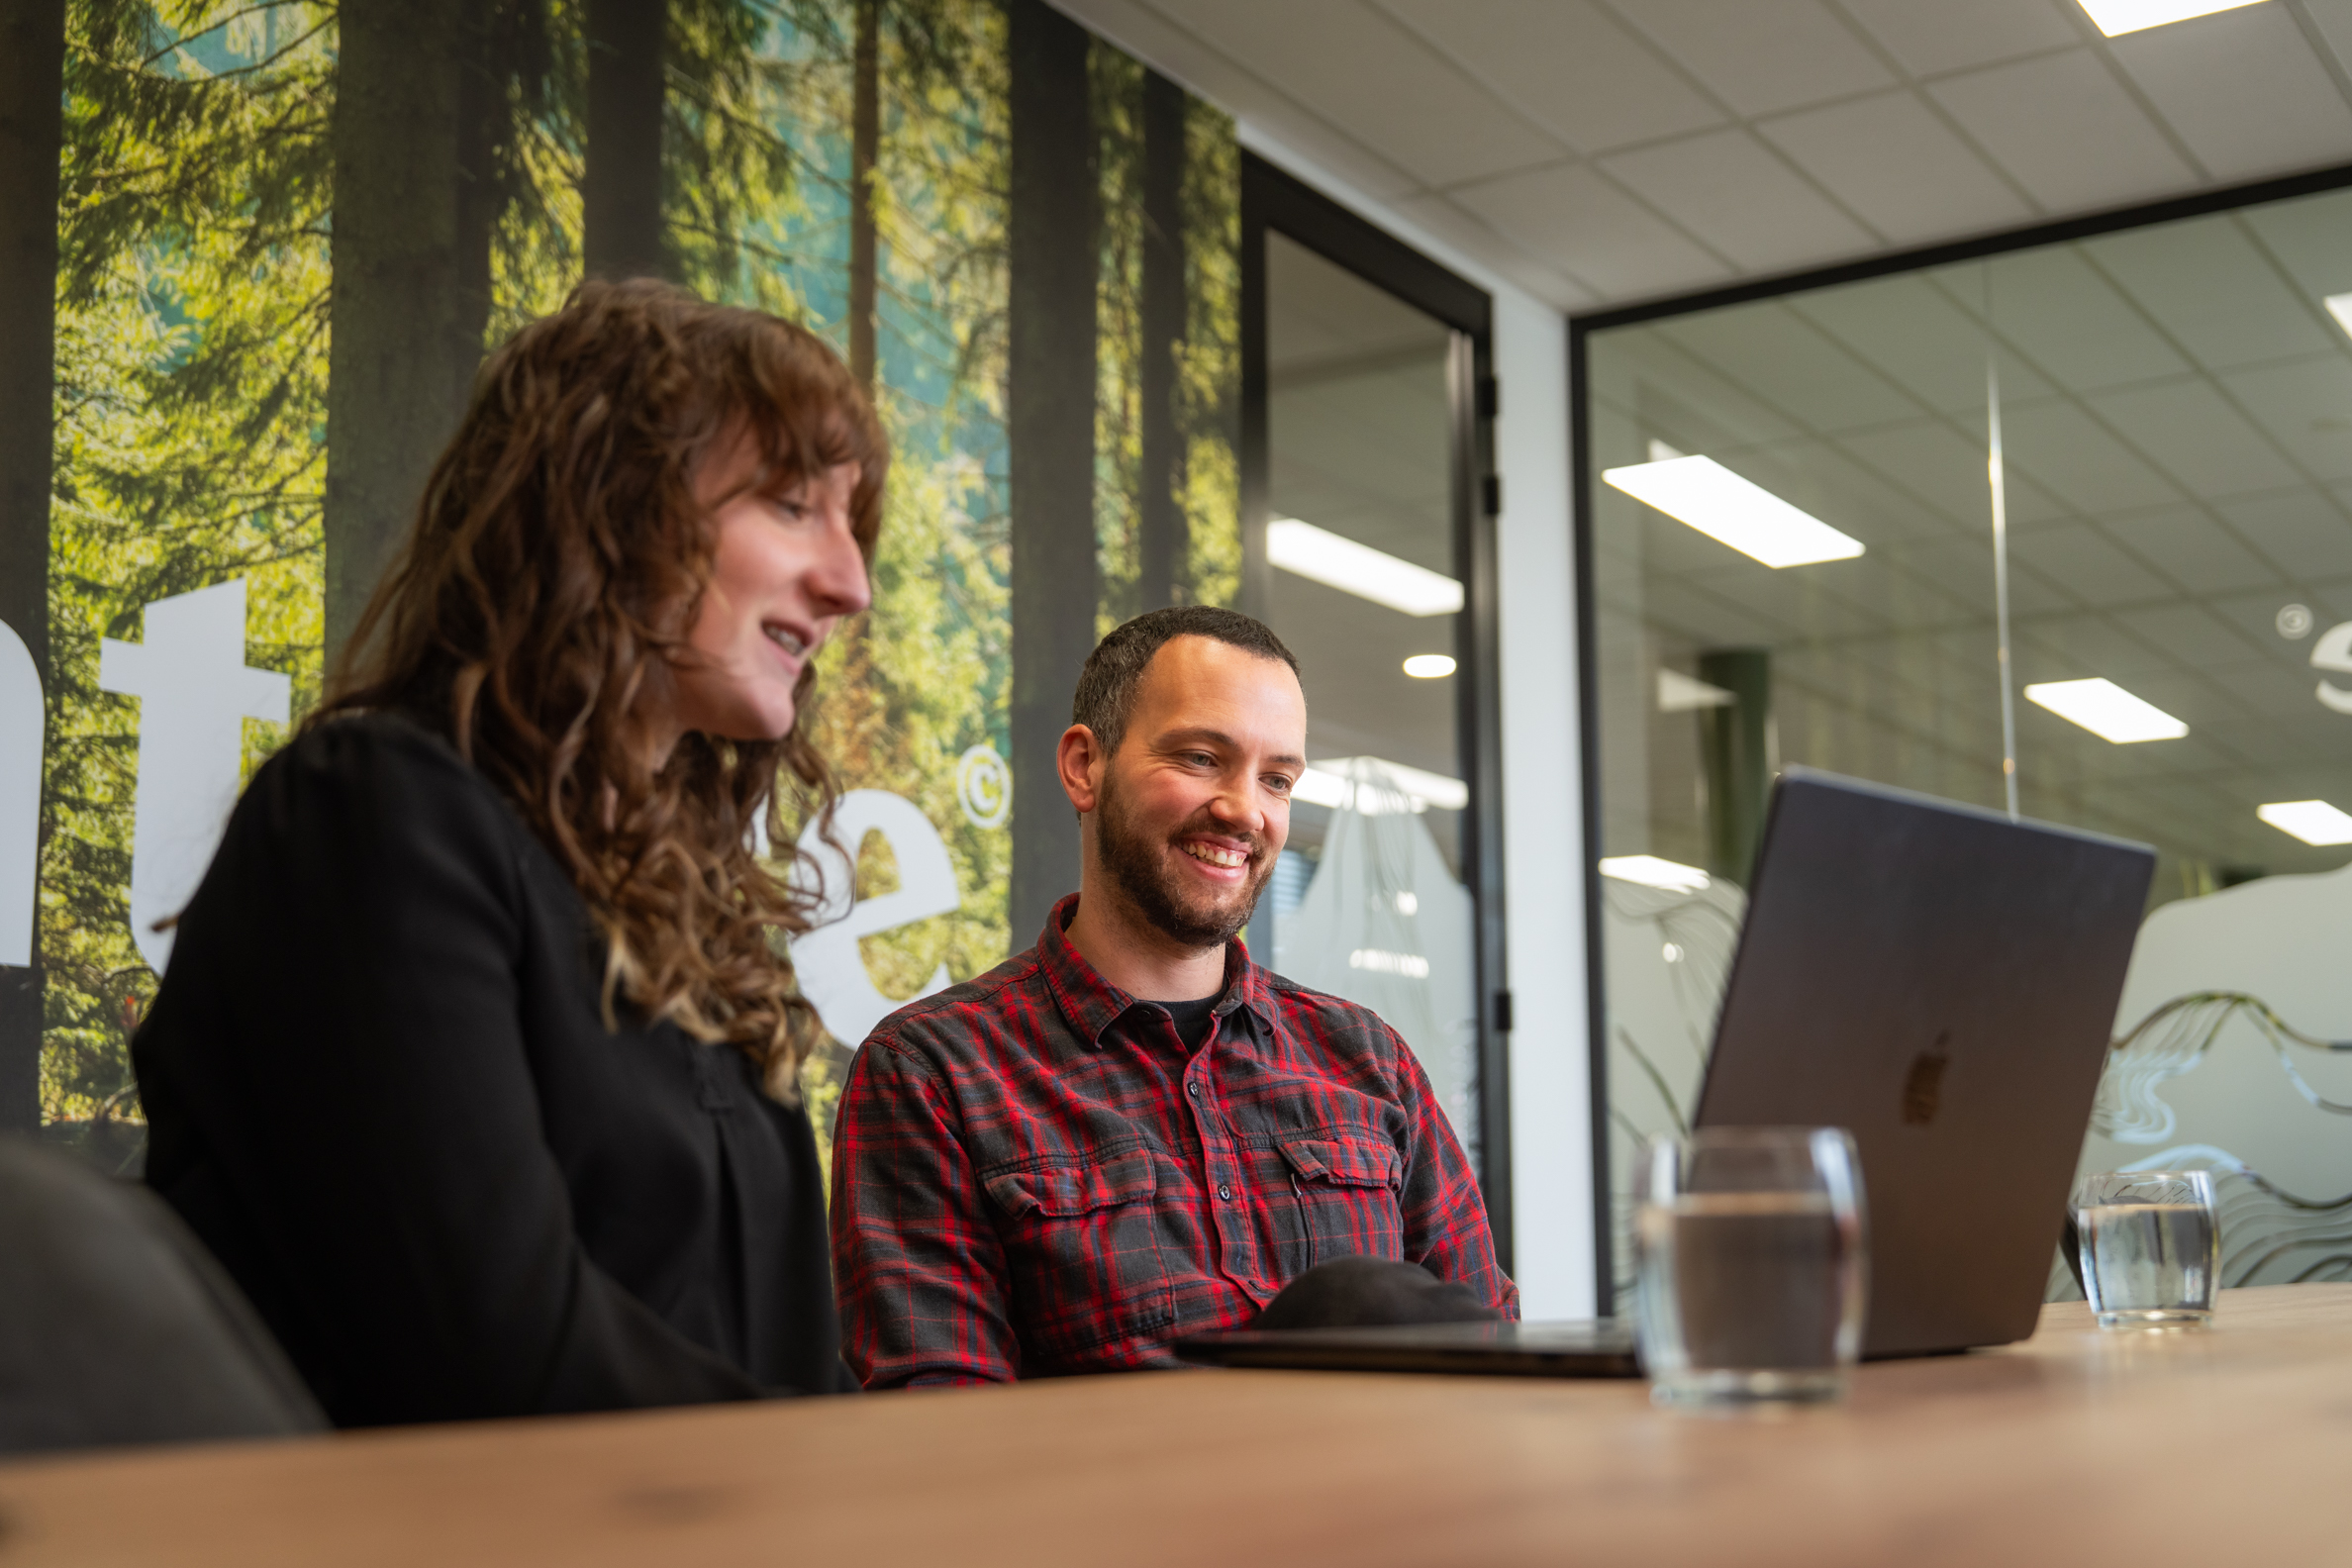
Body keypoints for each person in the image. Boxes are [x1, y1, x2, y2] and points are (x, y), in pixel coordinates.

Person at [133, 279, 881, 1425]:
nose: (849, 584)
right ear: (612, 502)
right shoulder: (373, 815)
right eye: (789, 505)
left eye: (850, 523)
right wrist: (845, 1480)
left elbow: (788, 1356)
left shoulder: (707, 919)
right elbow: (502, 1355)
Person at [830, 606, 1516, 1387]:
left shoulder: (1368, 1060)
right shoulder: (933, 1072)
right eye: (1199, 757)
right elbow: (943, 1433)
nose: (1244, 810)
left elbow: (1493, 1357)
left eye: (1277, 779)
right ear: (1085, 766)